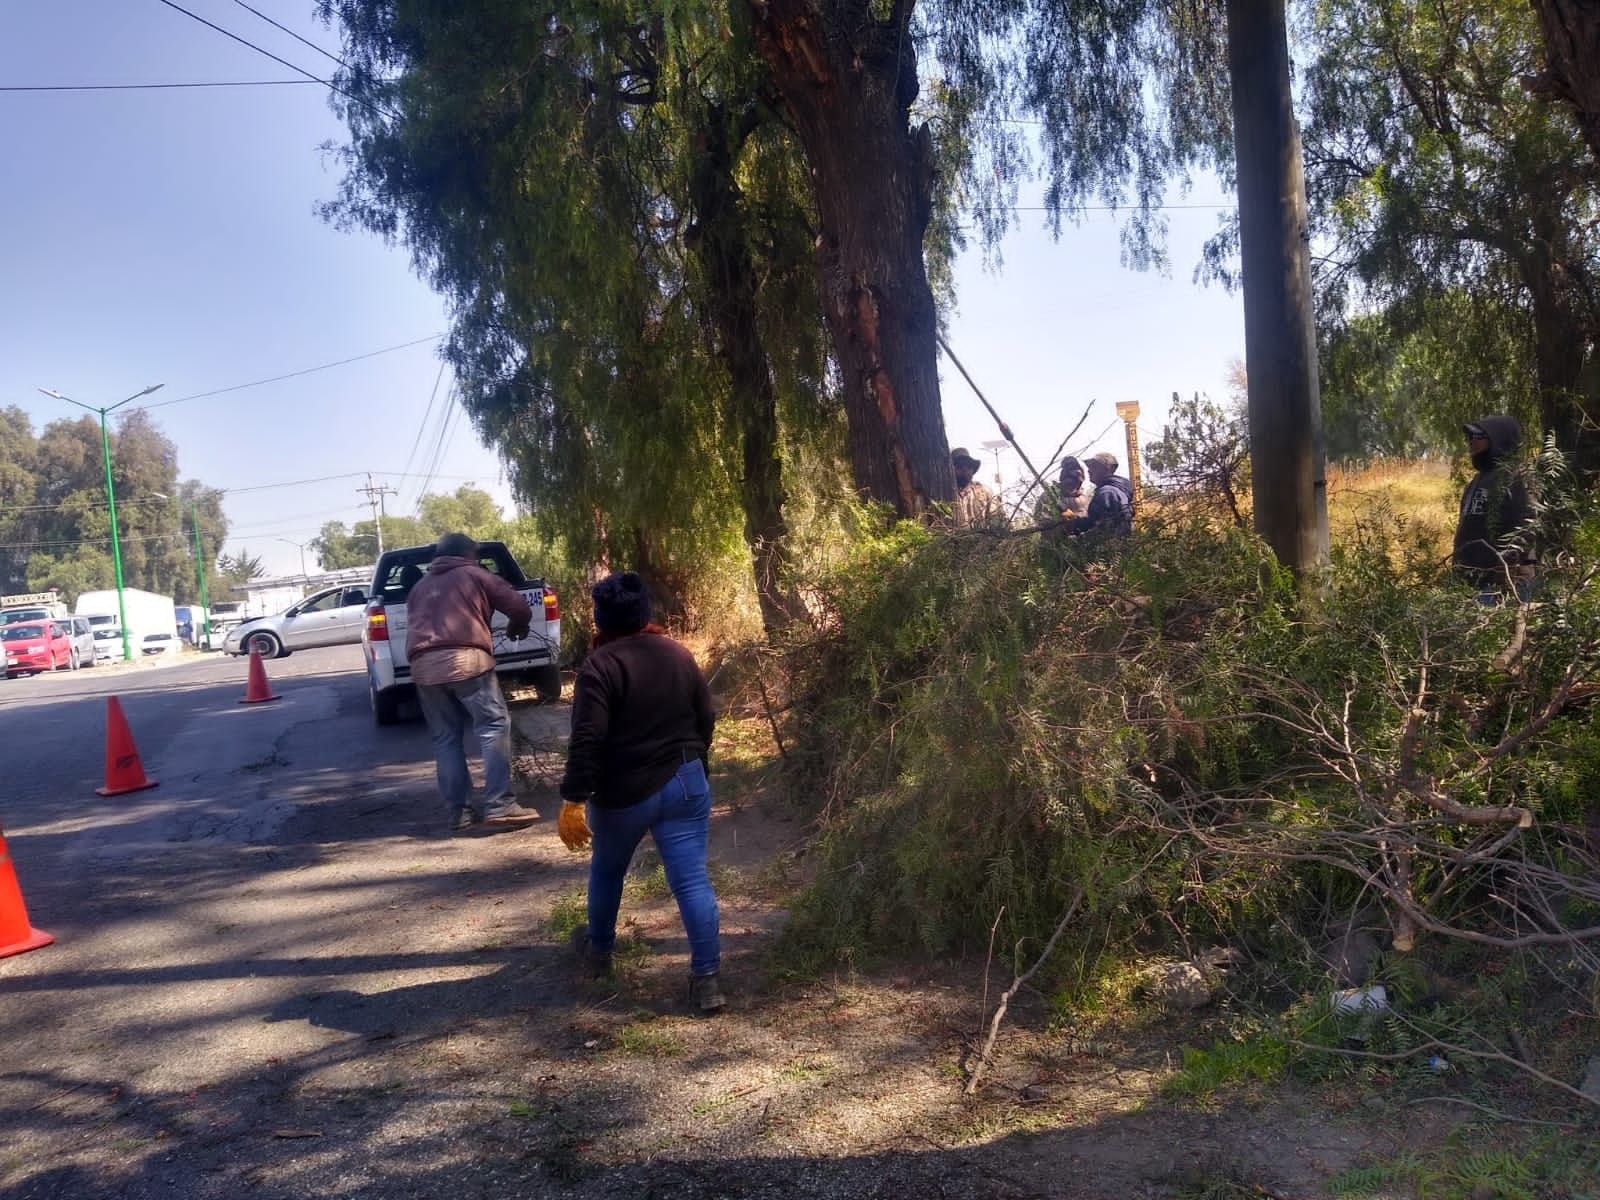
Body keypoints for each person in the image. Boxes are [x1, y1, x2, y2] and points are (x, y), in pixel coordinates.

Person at [558, 572, 724, 1013]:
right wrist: (697, 765)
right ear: (644, 612)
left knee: (608, 871)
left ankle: (598, 954)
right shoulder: (677, 653)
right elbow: (705, 716)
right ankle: (707, 980)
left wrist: (574, 796)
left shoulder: (599, 666)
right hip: (686, 781)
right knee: (691, 881)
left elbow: (588, 738)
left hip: (624, 792)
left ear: (600, 619)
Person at [405, 531, 540, 834]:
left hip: (423, 668)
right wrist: (518, 625)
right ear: (469, 555)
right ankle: (500, 805)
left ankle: (459, 813)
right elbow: (519, 606)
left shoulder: (420, 587)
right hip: (466, 660)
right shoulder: (474, 574)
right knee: (492, 726)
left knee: (445, 737)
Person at [1453, 416, 1535, 599]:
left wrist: (1516, 572)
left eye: (1478, 435)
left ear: (1498, 438)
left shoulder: (1516, 477)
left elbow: (1528, 529)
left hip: (1502, 584)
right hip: (1468, 584)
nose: (1471, 441)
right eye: (1469, 437)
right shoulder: (1474, 483)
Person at [1068, 451, 1135, 537]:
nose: (1089, 470)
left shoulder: (1107, 493)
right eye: (1089, 467)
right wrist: (1075, 522)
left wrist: (1076, 541)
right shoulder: (1113, 491)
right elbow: (1094, 521)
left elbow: (1105, 530)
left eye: (1093, 466)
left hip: (1110, 548)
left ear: (1107, 468)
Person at [951, 447, 1001, 529]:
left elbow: (997, 521)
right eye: (959, 466)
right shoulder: (943, 494)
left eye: (969, 466)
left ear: (973, 469)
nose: (964, 469)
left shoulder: (985, 492)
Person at [1034, 456, 1088, 530]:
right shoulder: (1050, 495)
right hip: (1057, 539)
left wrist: (1076, 518)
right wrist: (1060, 520)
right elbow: (1039, 517)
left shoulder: (1084, 498)